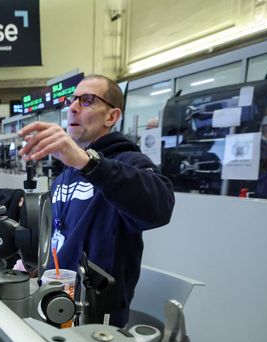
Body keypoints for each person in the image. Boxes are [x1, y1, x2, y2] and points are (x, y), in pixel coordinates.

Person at [18, 74, 175, 327]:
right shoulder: (66, 173)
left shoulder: (127, 163)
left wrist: (88, 162)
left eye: (88, 100)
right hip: (55, 305)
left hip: (96, 320)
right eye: (73, 100)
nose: (73, 107)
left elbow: (160, 207)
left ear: (111, 117)